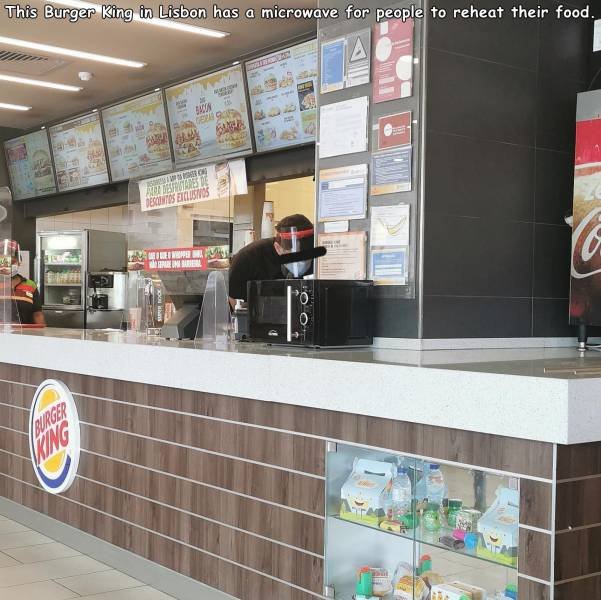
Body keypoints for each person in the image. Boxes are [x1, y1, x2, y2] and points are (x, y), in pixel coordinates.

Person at [228, 214, 314, 305]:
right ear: (278, 248)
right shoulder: (248, 259)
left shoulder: (322, 261)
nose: (301, 263)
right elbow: (231, 302)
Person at [0, 239, 45, 325]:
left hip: (24, 336)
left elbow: (37, 314)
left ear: (19, 262)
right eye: (4, 262)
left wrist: (42, 334)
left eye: (12, 262)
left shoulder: (31, 285)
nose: (8, 266)